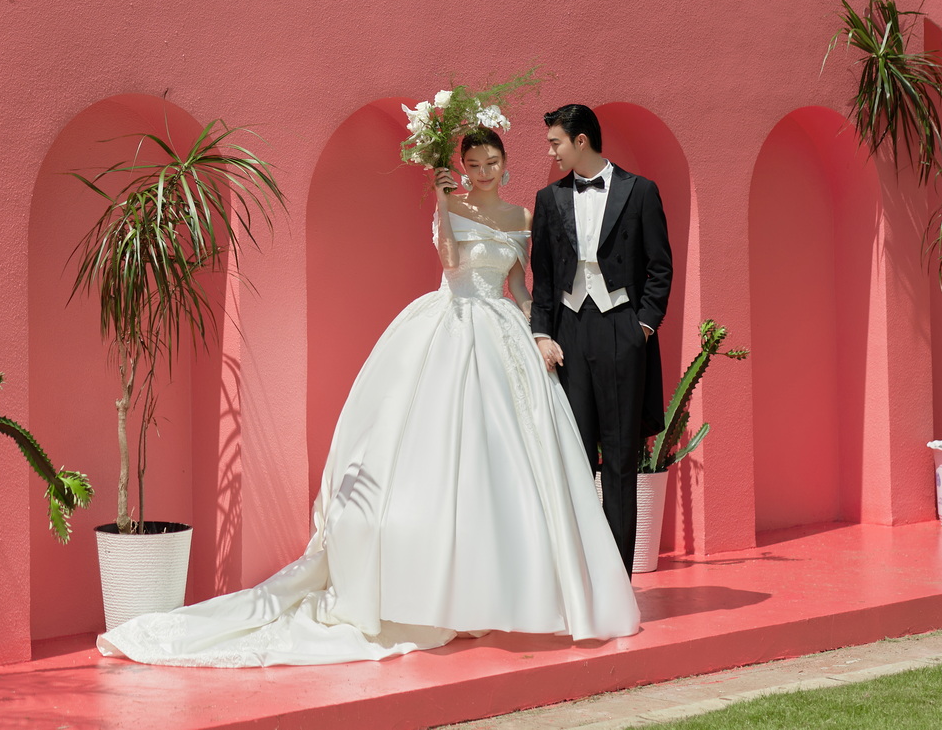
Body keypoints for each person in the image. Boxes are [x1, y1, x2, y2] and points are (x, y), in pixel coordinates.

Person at [98, 127, 640, 667]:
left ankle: (502, 594)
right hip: (449, 325)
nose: (483, 172)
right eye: (473, 164)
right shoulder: (450, 205)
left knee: (510, 466)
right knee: (445, 456)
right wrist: (440, 198)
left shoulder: (524, 217)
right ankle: (444, 596)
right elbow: (451, 266)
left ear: (505, 162)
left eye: (491, 163)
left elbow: (520, 286)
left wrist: (537, 333)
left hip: (502, 331)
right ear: (462, 167)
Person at [528, 104, 673, 570]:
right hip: (569, 331)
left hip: (621, 328)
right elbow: (544, 278)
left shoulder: (640, 191)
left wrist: (642, 328)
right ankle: (578, 575)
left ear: (581, 141)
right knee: (573, 455)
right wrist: (541, 334)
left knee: (619, 459)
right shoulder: (548, 200)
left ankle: (619, 579)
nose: (551, 151)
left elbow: (659, 267)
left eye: (556, 142)